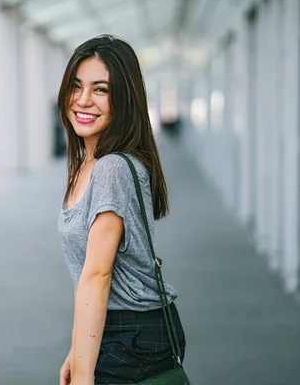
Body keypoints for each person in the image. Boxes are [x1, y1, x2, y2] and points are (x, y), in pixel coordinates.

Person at [57, 34, 186, 385]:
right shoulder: (89, 164)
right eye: (76, 85)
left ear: (124, 99)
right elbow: (85, 276)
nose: (83, 100)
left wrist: (84, 376)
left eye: (100, 89)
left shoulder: (113, 168)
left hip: (133, 334)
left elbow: (98, 276)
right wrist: (77, 348)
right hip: (117, 328)